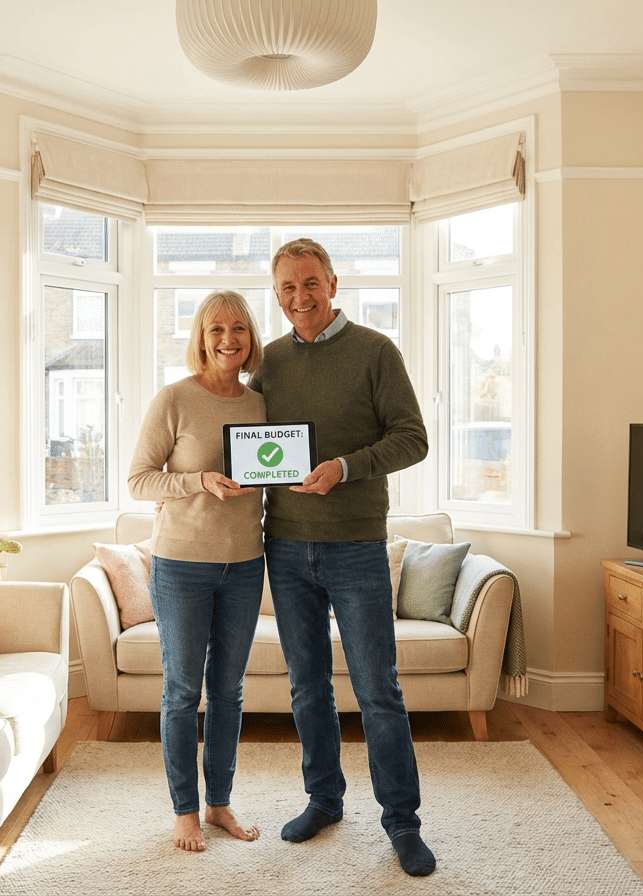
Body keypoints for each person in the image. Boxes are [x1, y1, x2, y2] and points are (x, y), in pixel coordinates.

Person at [248, 238, 435, 876]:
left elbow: (413, 438)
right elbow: (245, 434)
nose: (299, 298)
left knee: (378, 691)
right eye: (286, 289)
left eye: (309, 284)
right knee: (307, 687)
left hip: (356, 545)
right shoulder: (268, 361)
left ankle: (402, 823)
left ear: (332, 283)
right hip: (286, 547)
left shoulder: (376, 351)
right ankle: (324, 800)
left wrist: (346, 468)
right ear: (276, 296)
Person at [127, 290, 267, 852]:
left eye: (238, 328)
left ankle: (219, 805)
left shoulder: (261, 404)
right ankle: (184, 811)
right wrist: (197, 481)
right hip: (181, 565)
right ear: (201, 337)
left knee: (229, 692)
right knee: (183, 691)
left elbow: (273, 465)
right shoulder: (174, 398)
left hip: (245, 565)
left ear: (251, 337)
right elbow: (139, 480)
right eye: (216, 329)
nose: (228, 340)